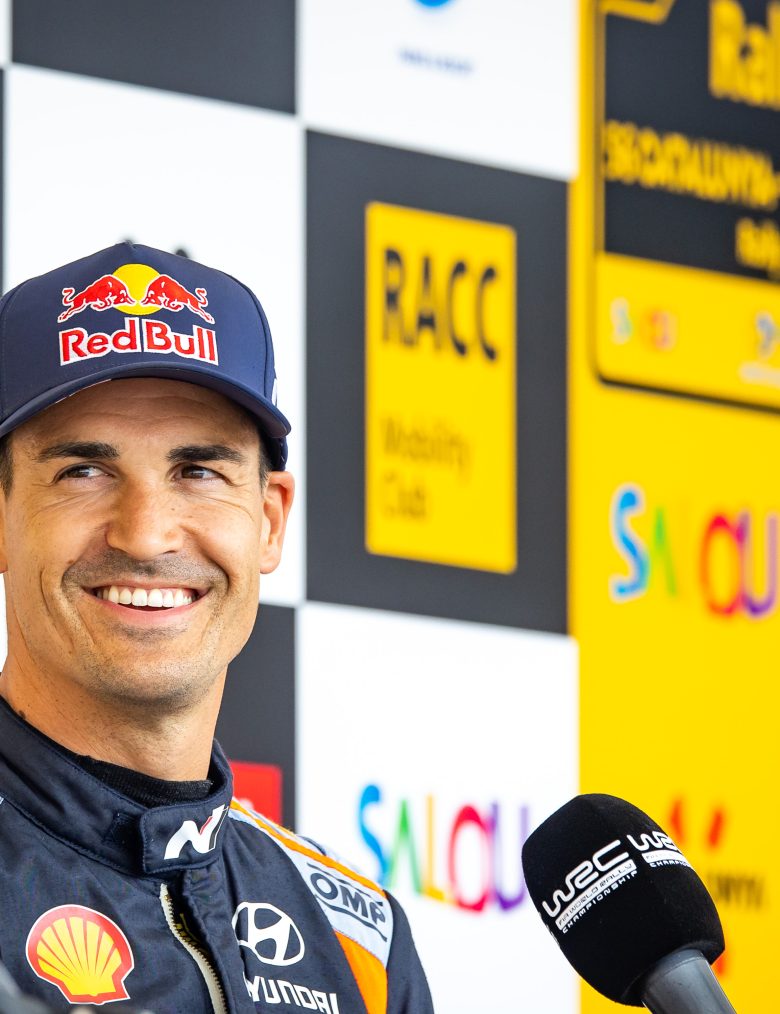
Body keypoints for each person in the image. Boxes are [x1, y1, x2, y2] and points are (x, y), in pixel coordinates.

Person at [0, 243, 433, 1014]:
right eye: (83, 472)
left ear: (269, 521)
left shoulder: (359, 945)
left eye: (198, 471)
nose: (146, 534)